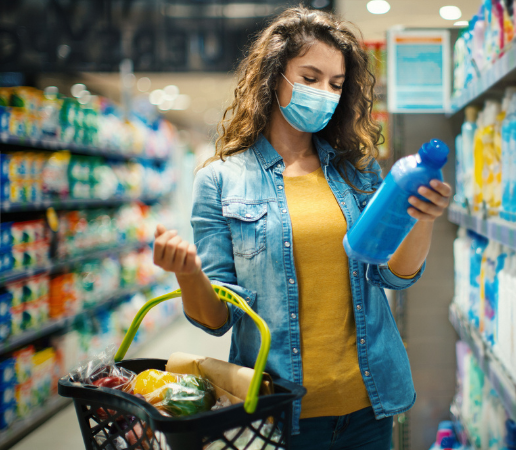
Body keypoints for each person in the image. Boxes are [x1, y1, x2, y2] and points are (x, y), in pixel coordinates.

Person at [153, 6, 451, 449]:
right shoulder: (220, 180)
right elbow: (217, 320)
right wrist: (187, 272)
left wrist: (421, 219)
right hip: (280, 415)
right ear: (275, 77)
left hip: (369, 406)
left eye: (335, 84)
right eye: (310, 78)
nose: (324, 94)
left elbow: (392, 274)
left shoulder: (357, 172)